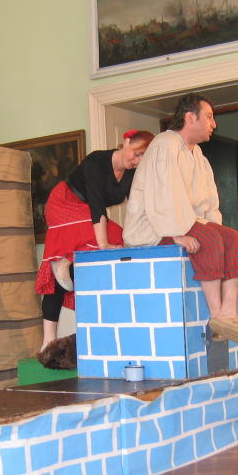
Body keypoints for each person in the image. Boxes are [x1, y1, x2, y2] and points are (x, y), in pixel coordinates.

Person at [122, 94, 238, 346]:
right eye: (209, 117)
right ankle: (217, 316)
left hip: (186, 221)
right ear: (190, 117)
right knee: (210, 240)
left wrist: (213, 226)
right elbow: (162, 193)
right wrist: (174, 233)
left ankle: (229, 314)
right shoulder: (165, 144)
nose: (214, 124)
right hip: (153, 227)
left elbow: (208, 202)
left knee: (234, 239)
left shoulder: (198, 155)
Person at [36, 129, 154, 351]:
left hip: (85, 211)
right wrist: (103, 245)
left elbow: (139, 205)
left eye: (142, 158)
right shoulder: (97, 162)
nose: (137, 161)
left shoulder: (131, 173)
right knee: (112, 238)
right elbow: (97, 205)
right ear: (126, 142)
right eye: (136, 154)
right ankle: (64, 260)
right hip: (64, 203)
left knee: (123, 239)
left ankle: (66, 263)